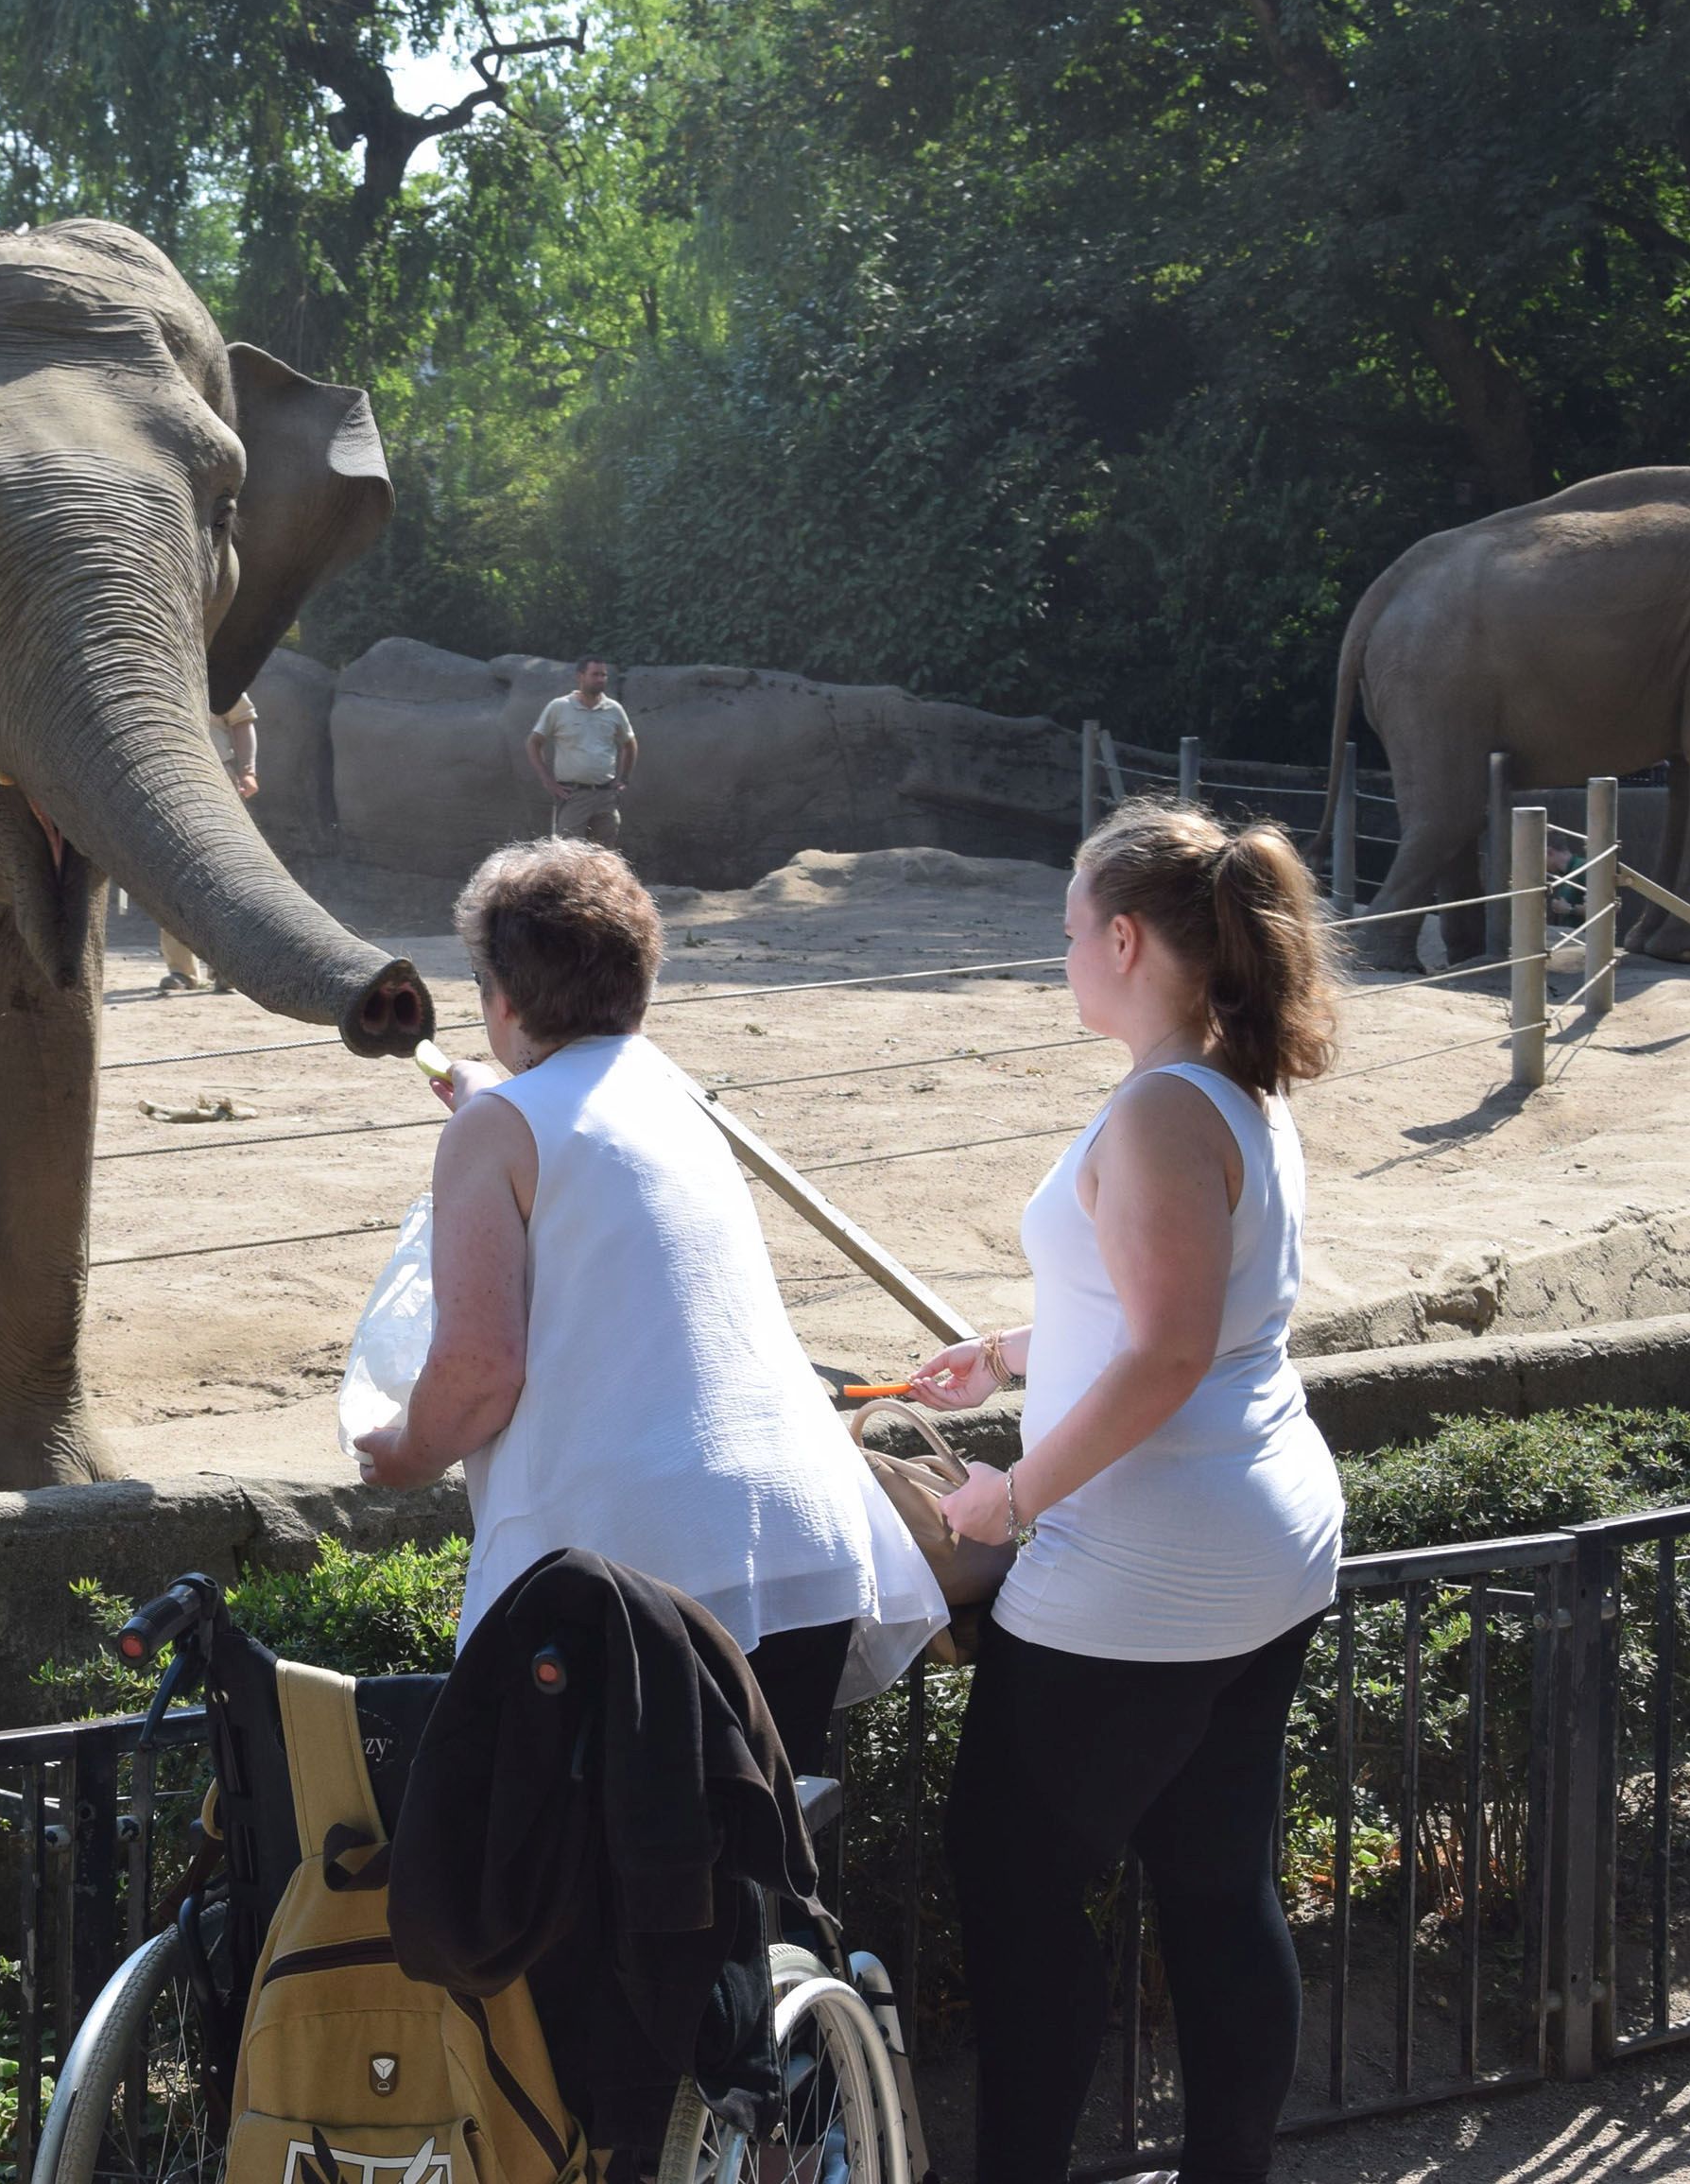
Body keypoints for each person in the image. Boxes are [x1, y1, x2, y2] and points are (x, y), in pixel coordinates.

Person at [905, 799, 1346, 2184]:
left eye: (1068, 931)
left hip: (1143, 1572)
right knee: (1219, 1886)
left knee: (1018, 1882)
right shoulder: (1231, 1080)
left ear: (1124, 935)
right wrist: (1015, 1352)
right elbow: (1185, 1309)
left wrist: (1011, 1496)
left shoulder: (1161, 1104)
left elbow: (1163, 1352)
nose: (1062, 956)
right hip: (1265, 1544)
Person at [352, 837, 946, 1771]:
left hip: (636, 1579)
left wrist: (402, 1453)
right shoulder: (669, 1088)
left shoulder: (494, 1131)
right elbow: (564, 1110)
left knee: (615, 1893)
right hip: (804, 1549)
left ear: (499, 996)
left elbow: (475, 1375)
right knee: (751, 1881)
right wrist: (483, 1090)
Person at [158, 692, 259, 993]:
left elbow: (242, 720)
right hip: (165, 779)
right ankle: (181, 971)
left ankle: (227, 967)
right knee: (171, 876)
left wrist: (248, 770)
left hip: (217, 780)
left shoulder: (215, 670)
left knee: (225, 877)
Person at [528, 658, 637, 848]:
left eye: (604, 675)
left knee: (604, 857)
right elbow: (534, 743)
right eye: (595, 674)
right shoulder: (559, 707)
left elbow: (630, 744)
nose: (601, 679)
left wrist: (624, 779)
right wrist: (548, 781)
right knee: (567, 857)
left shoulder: (614, 709)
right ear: (580, 676)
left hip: (605, 796)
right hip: (572, 795)